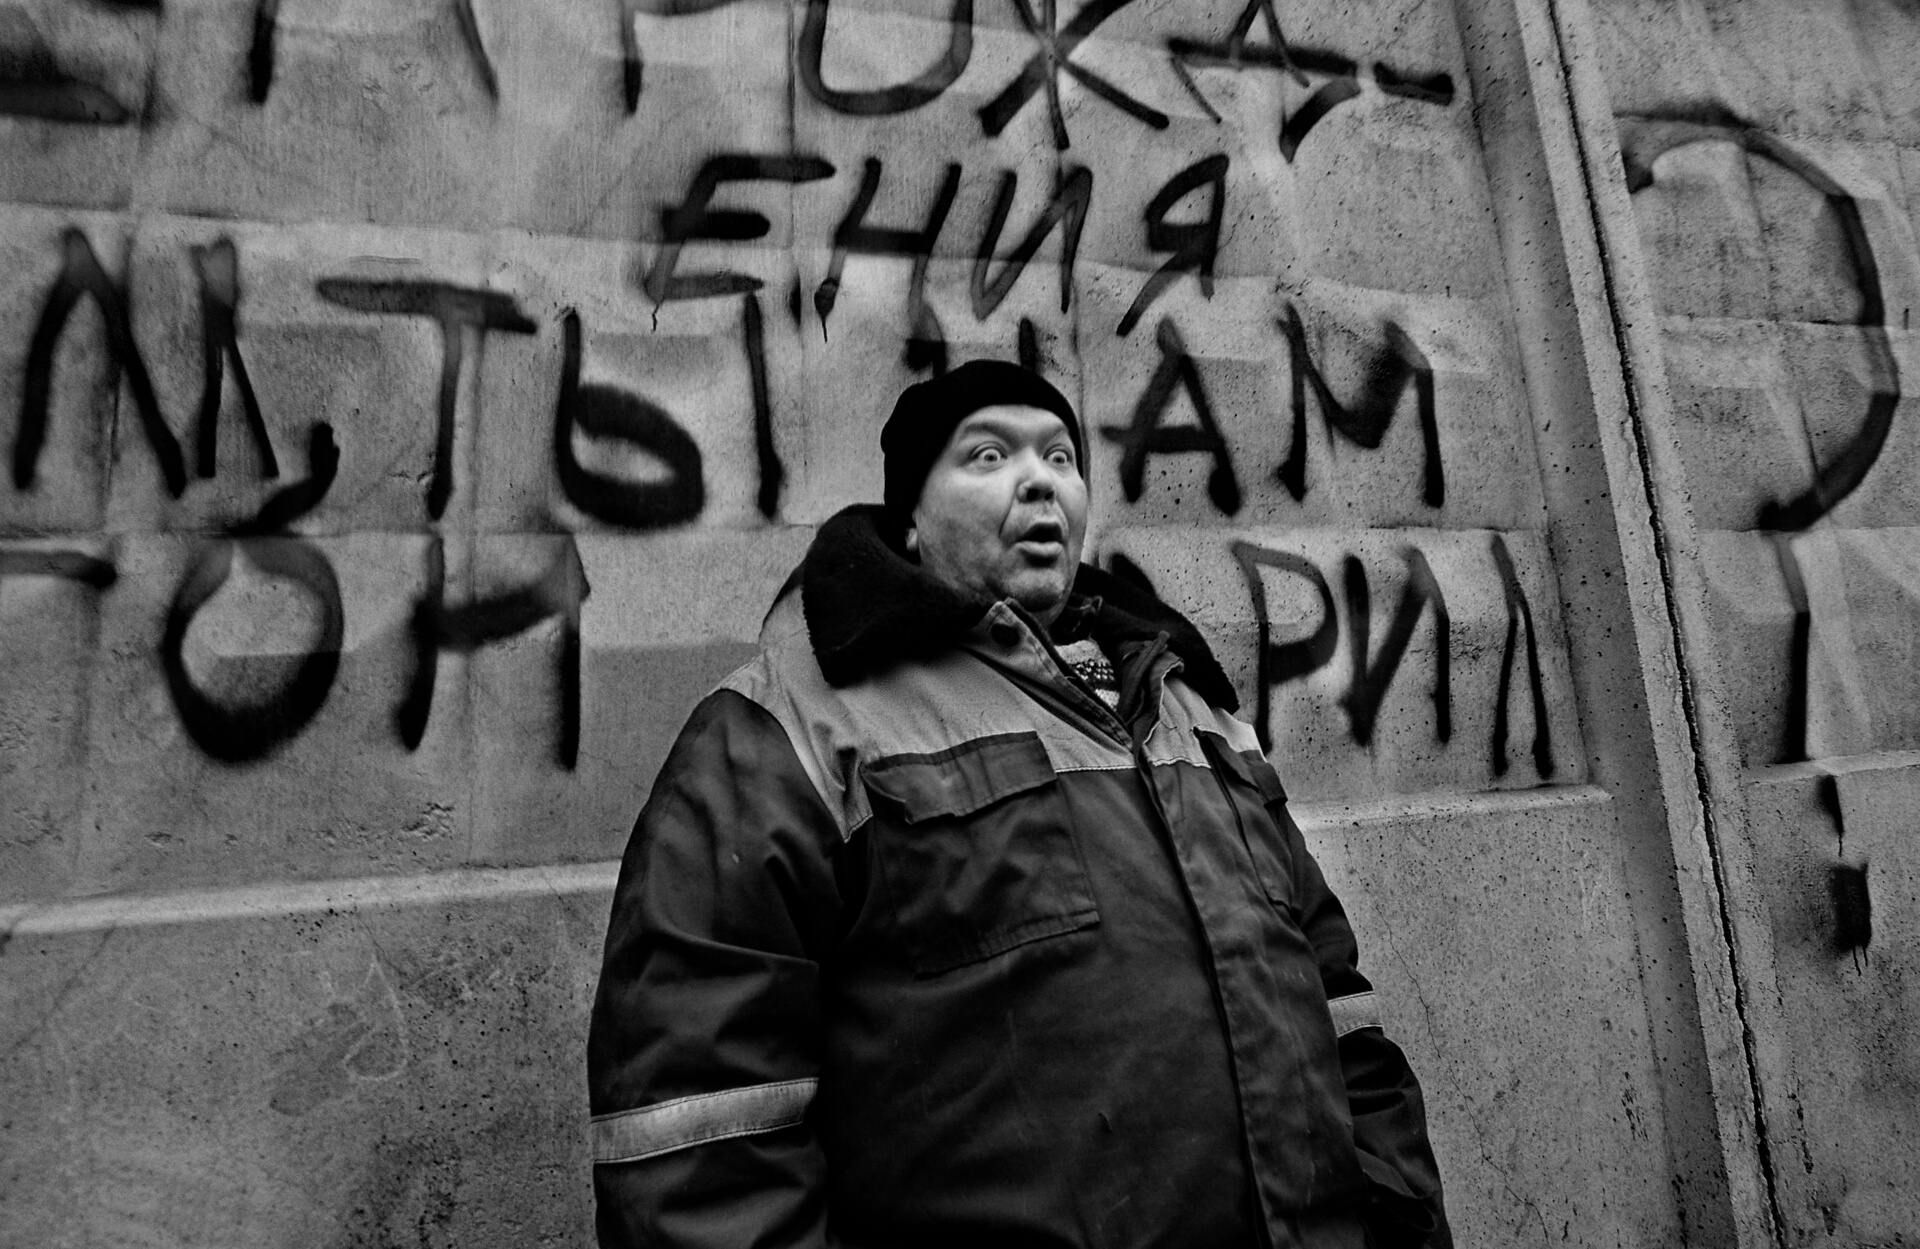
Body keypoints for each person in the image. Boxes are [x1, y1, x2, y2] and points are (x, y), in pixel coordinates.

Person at [587, 360, 1451, 1249]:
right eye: (989, 455)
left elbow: (1341, 1015)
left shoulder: (1193, 707)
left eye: (1061, 457)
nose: (1041, 480)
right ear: (910, 518)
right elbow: (700, 1133)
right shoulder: (795, 726)